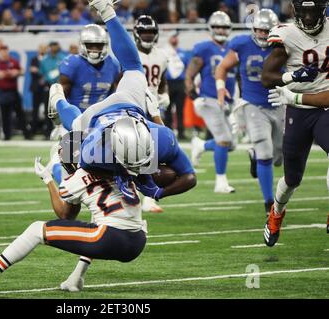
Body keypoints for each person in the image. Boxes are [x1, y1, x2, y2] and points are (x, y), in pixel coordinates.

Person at [47, 0, 196, 290]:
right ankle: (57, 99)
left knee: (133, 69)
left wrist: (161, 192)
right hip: (98, 123)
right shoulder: (95, 152)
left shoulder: (160, 140)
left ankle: (108, 12)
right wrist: (56, 169)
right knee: (75, 121)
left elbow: (190, 176)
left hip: (128, 110)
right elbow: (66, 207)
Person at [0, 133, 147, 294]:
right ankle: (76, 277)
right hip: (138, 240)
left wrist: (48, 179)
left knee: (36, 230)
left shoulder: (77, 179)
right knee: (96, 220)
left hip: (110, 237)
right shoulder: (118, 166)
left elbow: (65, 215)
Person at [260, 0, 329, 246]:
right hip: (298, 112)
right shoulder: (287, 34)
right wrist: (292, 76)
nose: (309, 18)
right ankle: (276, 212)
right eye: (304, 11)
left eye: (314, 11)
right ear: (295, 11)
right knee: (292, 178)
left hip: (324, 107)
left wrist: (293, 92)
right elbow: (266, 77)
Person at [215, 9, 282, 216]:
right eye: (259, 30)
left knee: (279, 156)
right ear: (253, 29)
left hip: (279, 103)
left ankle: (254, 156)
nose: (262, 34)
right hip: (253, 105)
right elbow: (222, 68)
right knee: (265, 151)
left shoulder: (283, 43)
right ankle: (268, 201)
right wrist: (220, 88)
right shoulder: (242, 44)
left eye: (266, 31)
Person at [50, 24, 120, 184]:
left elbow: (115, 96)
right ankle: (55, 164)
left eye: (98, 45)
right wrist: (59, 124)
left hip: (100, 123)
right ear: (82, 45)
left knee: (104, 170)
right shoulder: (73, 64)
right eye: (90, 45)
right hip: (75, 121)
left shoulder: (114, 65)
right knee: (70, 175)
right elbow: (61, 97)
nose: (94, 49)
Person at [185, 11, 237, 194]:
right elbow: (190, 74)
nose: (221, 30)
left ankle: (201, 145)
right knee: (224, 140)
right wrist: (192, 92)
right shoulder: (204, 48)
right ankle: (220, 182)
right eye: (217, 27)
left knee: (231, 144)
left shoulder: (233, 48)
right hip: (208, 98)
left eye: (224, 27)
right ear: (211, 28)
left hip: (226, 101)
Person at [132, 14, 170, 212]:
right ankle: (130, 193)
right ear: (136, 34)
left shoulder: (162, 55)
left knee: (152, 152)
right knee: (131, 151)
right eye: (144, 32)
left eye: (151, 32)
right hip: (134, 105)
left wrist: (164, 94)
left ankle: (148, 196)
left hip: (153, 108)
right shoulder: (130, 54)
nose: (147, 36)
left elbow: (162, 81)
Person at [0, 43, 30, 141]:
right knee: (5, 115)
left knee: (20, 113)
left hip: (13, 91)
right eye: (2, 51)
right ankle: (7, 135)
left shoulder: (13, 62)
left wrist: (17, 72)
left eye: (5, 50)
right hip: (2, 92)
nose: (4, 52)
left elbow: (22, 71)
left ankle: (27, 134)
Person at [163, 31, 192, 140]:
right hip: (168, 83)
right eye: (173, 37)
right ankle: (168, 132)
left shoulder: (183, 53)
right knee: (167, 108)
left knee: (180, 109)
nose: (175, 39)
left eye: (176, 37)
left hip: (180, 83)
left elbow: (188, 68)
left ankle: (181, 132)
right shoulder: (165, 52)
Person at [39, 41, 67, 138]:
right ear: (49, 47)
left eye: (55, 45)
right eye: (52, 46)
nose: (54, 48)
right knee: (49, 110)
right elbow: (42, 74)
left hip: (63, 87)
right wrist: (49, 78)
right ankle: (47, 132)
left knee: (63, 109)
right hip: (49, 86)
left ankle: (65, 131)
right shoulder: (45, 60)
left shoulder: (64, 58)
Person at [29, 44, 48, 137]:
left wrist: (42, 74)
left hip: (46, 87)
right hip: (36, 88)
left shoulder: (48, 60)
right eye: (41, 48)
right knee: (35, 110)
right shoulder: (34, 59)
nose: (42, 50)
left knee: (47, 110)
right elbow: (32, 70)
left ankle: (47, 131)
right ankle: (33, 130)